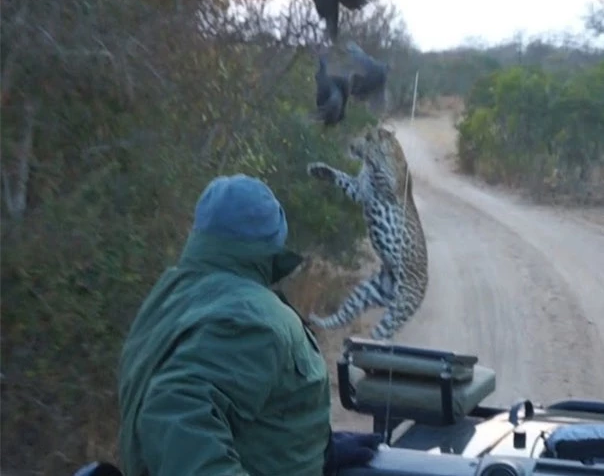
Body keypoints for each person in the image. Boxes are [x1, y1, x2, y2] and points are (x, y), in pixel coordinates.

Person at [75, 174, 381, 476]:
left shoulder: (170, 294)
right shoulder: (253, 317)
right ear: (272, 242)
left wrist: (314, 450)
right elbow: (174, 411)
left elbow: (241, 411)